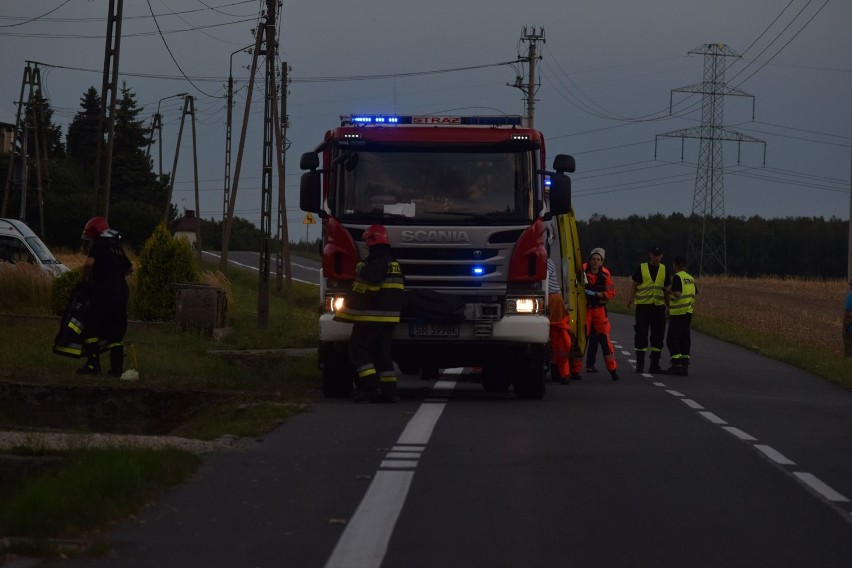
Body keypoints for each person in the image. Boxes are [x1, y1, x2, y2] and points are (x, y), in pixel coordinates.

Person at [333, 224, 405, 402]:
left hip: (371, 317)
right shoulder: (394, 262)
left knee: (357, 349)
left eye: (366, 241)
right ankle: (389, 392)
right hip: (389, 319)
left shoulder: (377, 261)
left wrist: (359, 268)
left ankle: (370, 388)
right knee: (382, 355)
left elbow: (372, 277)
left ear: (371, 240)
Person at [77, 216, 133, 377]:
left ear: (95, 234)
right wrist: (115, 276)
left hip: (103, 292)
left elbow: (88, 264)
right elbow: (129, 269)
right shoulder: (116, 246)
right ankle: (116, 369)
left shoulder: (99, 245)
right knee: (117, 330)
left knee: (92, 326)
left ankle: (93, 365)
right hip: (121, 292)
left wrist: (85, 280)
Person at [626, 246, 671, 373]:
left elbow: (666, 289)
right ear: (650, 255)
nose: (658, 257)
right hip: (643, 306)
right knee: (641, 334)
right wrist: (630, 298)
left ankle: (654, 364)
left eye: (660, 255)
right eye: (656, 255)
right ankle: (640, 364)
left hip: (658, 307)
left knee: (658, 336)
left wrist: (668, 307)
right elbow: (634, 284)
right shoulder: (642, 267)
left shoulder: (664, 269)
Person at [583, 248, 619, 381]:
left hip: (599, 309)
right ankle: (575, 370)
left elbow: (610, 293)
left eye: (598, 260)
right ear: (590, 260)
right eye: (593, 259)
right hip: (585, 309)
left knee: (603, 340)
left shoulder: (604, 275)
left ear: (601, 261)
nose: (595, 262)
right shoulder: (582, 272)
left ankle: (612, 370)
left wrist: (598, 294)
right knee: (581, 338)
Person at [663, 256, 697, 376]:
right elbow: (695, 292)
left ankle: (676, 365)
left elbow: (677, 294)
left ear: (675, 265)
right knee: (684, 339)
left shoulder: (677, 277)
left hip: (678, 313)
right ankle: (684, 366)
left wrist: (668, 291)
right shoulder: (690, 278)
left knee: (671, 339)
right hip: (688, 312)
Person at [844, 276, 852, 359]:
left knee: (849, 357)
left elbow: (847, 315)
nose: (850, 282)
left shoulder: (850, 296)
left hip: (850, 331)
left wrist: (845, 328)